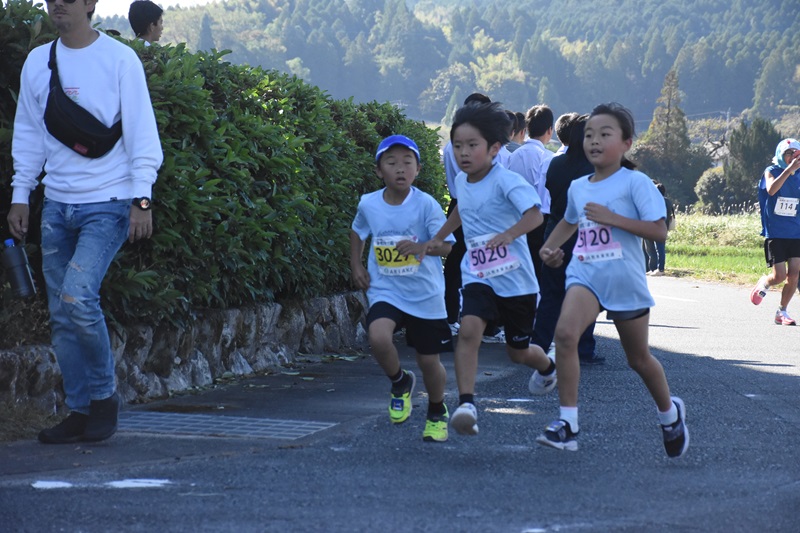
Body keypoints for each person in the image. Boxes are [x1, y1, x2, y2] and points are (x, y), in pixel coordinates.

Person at [6, 0, 163, 444]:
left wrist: (142, 200)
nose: (59, 3)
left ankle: (103, 398)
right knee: (60, 313)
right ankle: (78, 410)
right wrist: (22, 195)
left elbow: (142, 133)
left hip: (109, 203)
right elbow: (29, 133)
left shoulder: (119, 59)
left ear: (91, 3)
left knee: (77, 297)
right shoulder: (39, 62)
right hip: (56, 204)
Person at [536, 103, 689, 458]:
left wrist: (612, 218)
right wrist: (549, 248)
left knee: (639, 359)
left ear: (626, 143)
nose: (594, 141)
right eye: (589, 135)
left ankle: (669, 414)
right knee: (565, 335)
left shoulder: (635, 183)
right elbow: (569, 221)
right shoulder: (578, 187)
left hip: (624, 279)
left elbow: (659, 231)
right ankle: (568, 424)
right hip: (586, 273)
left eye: (605, 135)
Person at [424, 102, 557, 437]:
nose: (463, 153)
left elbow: (535, 215)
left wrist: (507, 235)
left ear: (495, 148)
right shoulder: (465, 184)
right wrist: (437, 237)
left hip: (516, 281)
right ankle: (467, 404)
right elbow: (460, 212)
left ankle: (547, 366)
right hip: (478, 274)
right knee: (469, 331)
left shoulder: (506, 181)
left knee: (518, 352)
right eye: (457, 146)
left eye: (472, 146)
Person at [350, 135, 454, 442]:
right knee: (378, 337)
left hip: (425, 294)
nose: (400, 169)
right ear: (379, 170)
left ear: (418, 169)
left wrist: (422, 247)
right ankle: (399, 382)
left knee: (428, 360)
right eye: (391, 162)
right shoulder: (369, 203)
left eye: (407, 162)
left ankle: (437, 410)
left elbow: (448, 247)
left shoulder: (426, 205)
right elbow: (357, 232)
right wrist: (356, 265)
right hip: (386, 288)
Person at [531, 114, 602, 365]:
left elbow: (549, 190)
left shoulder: (556, 163)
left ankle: (538, 344)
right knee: (585, 293)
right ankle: (583, 348)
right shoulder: (595, 168)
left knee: (550, 294)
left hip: (555, 230)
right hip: (585, 234)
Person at [442, 92, 506, 344]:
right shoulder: (482, 147)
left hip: (458, 205)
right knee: (487, 265)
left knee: (457, 265)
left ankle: (451, 318)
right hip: (481, 209)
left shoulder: (451, 145)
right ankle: (488, 325)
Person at [750, 138, 800, 325]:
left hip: (796, 232)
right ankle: (766, 282)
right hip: (776, 232)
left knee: (794, 274)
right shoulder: (771, 171)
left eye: (796, 153)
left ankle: (782, 311)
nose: (792, 157)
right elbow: (771, 190)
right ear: (780, 155)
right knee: (779, 276)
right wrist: (789, 170)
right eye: (788, 153)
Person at [508, 104, 555, 282]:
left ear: (527, 128)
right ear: (550, 130)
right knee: (537, 272)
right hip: (540, 221)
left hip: (515, 219)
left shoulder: (513, 156)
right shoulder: (548, 157)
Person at [645, 182, 675, 277]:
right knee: (659, 248)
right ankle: (655, 269)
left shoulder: (654, 201)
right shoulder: (668, 201)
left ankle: (659, 269)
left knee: (655, 249)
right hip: (663, 228)